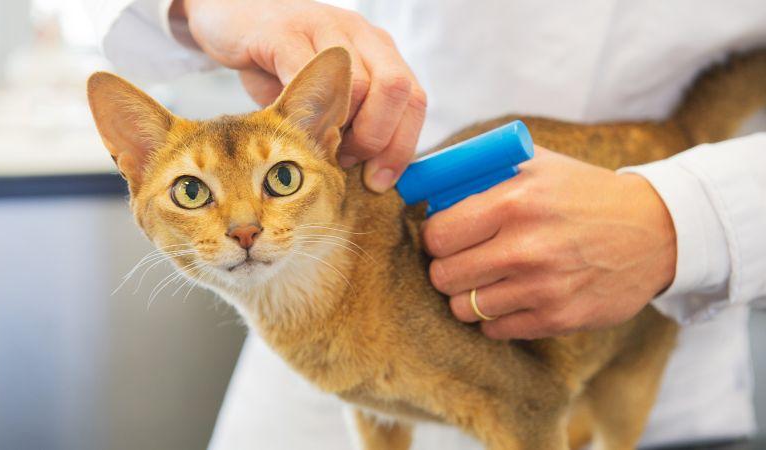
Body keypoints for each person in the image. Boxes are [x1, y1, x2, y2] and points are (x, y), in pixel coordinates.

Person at [85, 0, 766, 448]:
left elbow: (530, 403)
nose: (242, 228)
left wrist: (687, 218)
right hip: (369, 215)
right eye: (193, 193)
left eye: (277, 182)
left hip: (678, 287)